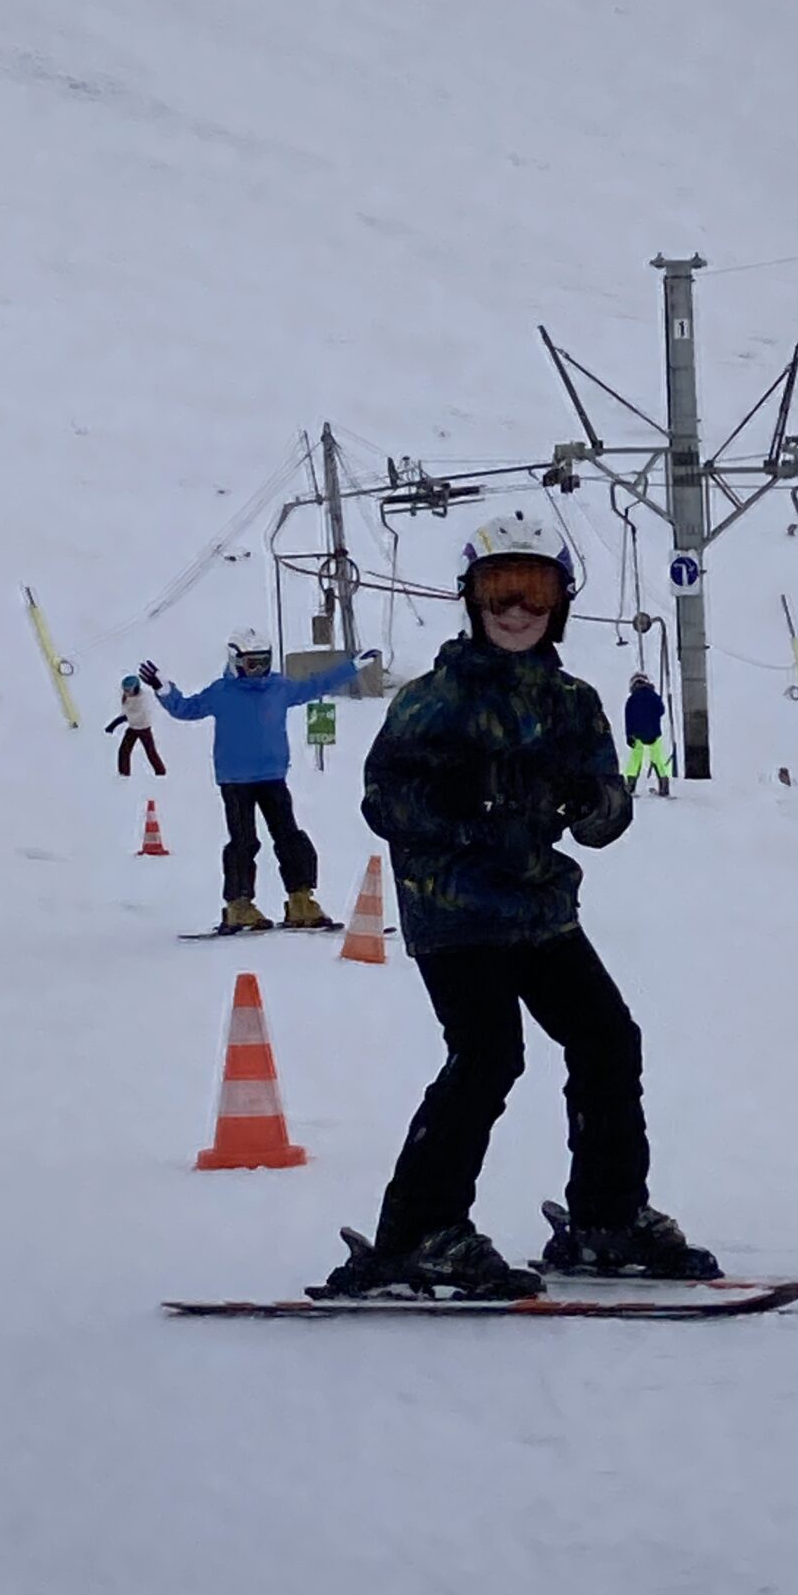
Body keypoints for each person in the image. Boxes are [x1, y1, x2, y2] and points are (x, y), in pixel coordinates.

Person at [312, 514, 720, 1303]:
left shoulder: (572, 703)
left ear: (560, 602)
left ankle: (607, 1218)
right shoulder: (433, 701)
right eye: (501, 589)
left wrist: (590, 802)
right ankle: (419, 1232)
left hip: (538, 908)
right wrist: (466, 806)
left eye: (535, 591)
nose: (517, 610)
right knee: (488, 1054)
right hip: (456, 909)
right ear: (472, 598)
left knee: (606, 1038)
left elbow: (608, 811)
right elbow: (383, 801)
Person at [139, 628, 373, 934]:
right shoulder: (222, 692)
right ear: (235, 661)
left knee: (289, 837)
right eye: (252, 663)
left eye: (264, 662)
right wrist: (164, 690)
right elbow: (186, 709)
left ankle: (301, 899)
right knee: (243, 841)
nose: (259, 670)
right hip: (235, 781)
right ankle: (239, 905)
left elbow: (315, 685)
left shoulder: (279, 687)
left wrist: (351, 667)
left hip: (273, 777)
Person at [623, 670, 674, 796]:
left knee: (635, 760)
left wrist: (629, 735)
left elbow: (628, 719)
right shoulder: (654, 696)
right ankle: (664, 786)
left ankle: (630, 786)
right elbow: (661, 710)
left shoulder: (632, 699)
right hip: (654, 732)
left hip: (637, 734)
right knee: (658, 758)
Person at [104, 674, 165, 779]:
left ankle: (161, 773)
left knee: (150, 752)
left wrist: (114, 724)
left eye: (128, 690)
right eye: (124, 689)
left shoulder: (141, 701)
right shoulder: (128, 697)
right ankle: (123, 775)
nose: (126, 692)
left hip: (143, 728)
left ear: (136, 688)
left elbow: (128, 716)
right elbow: (126, 712)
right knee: (124, 750)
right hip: (133, 727)